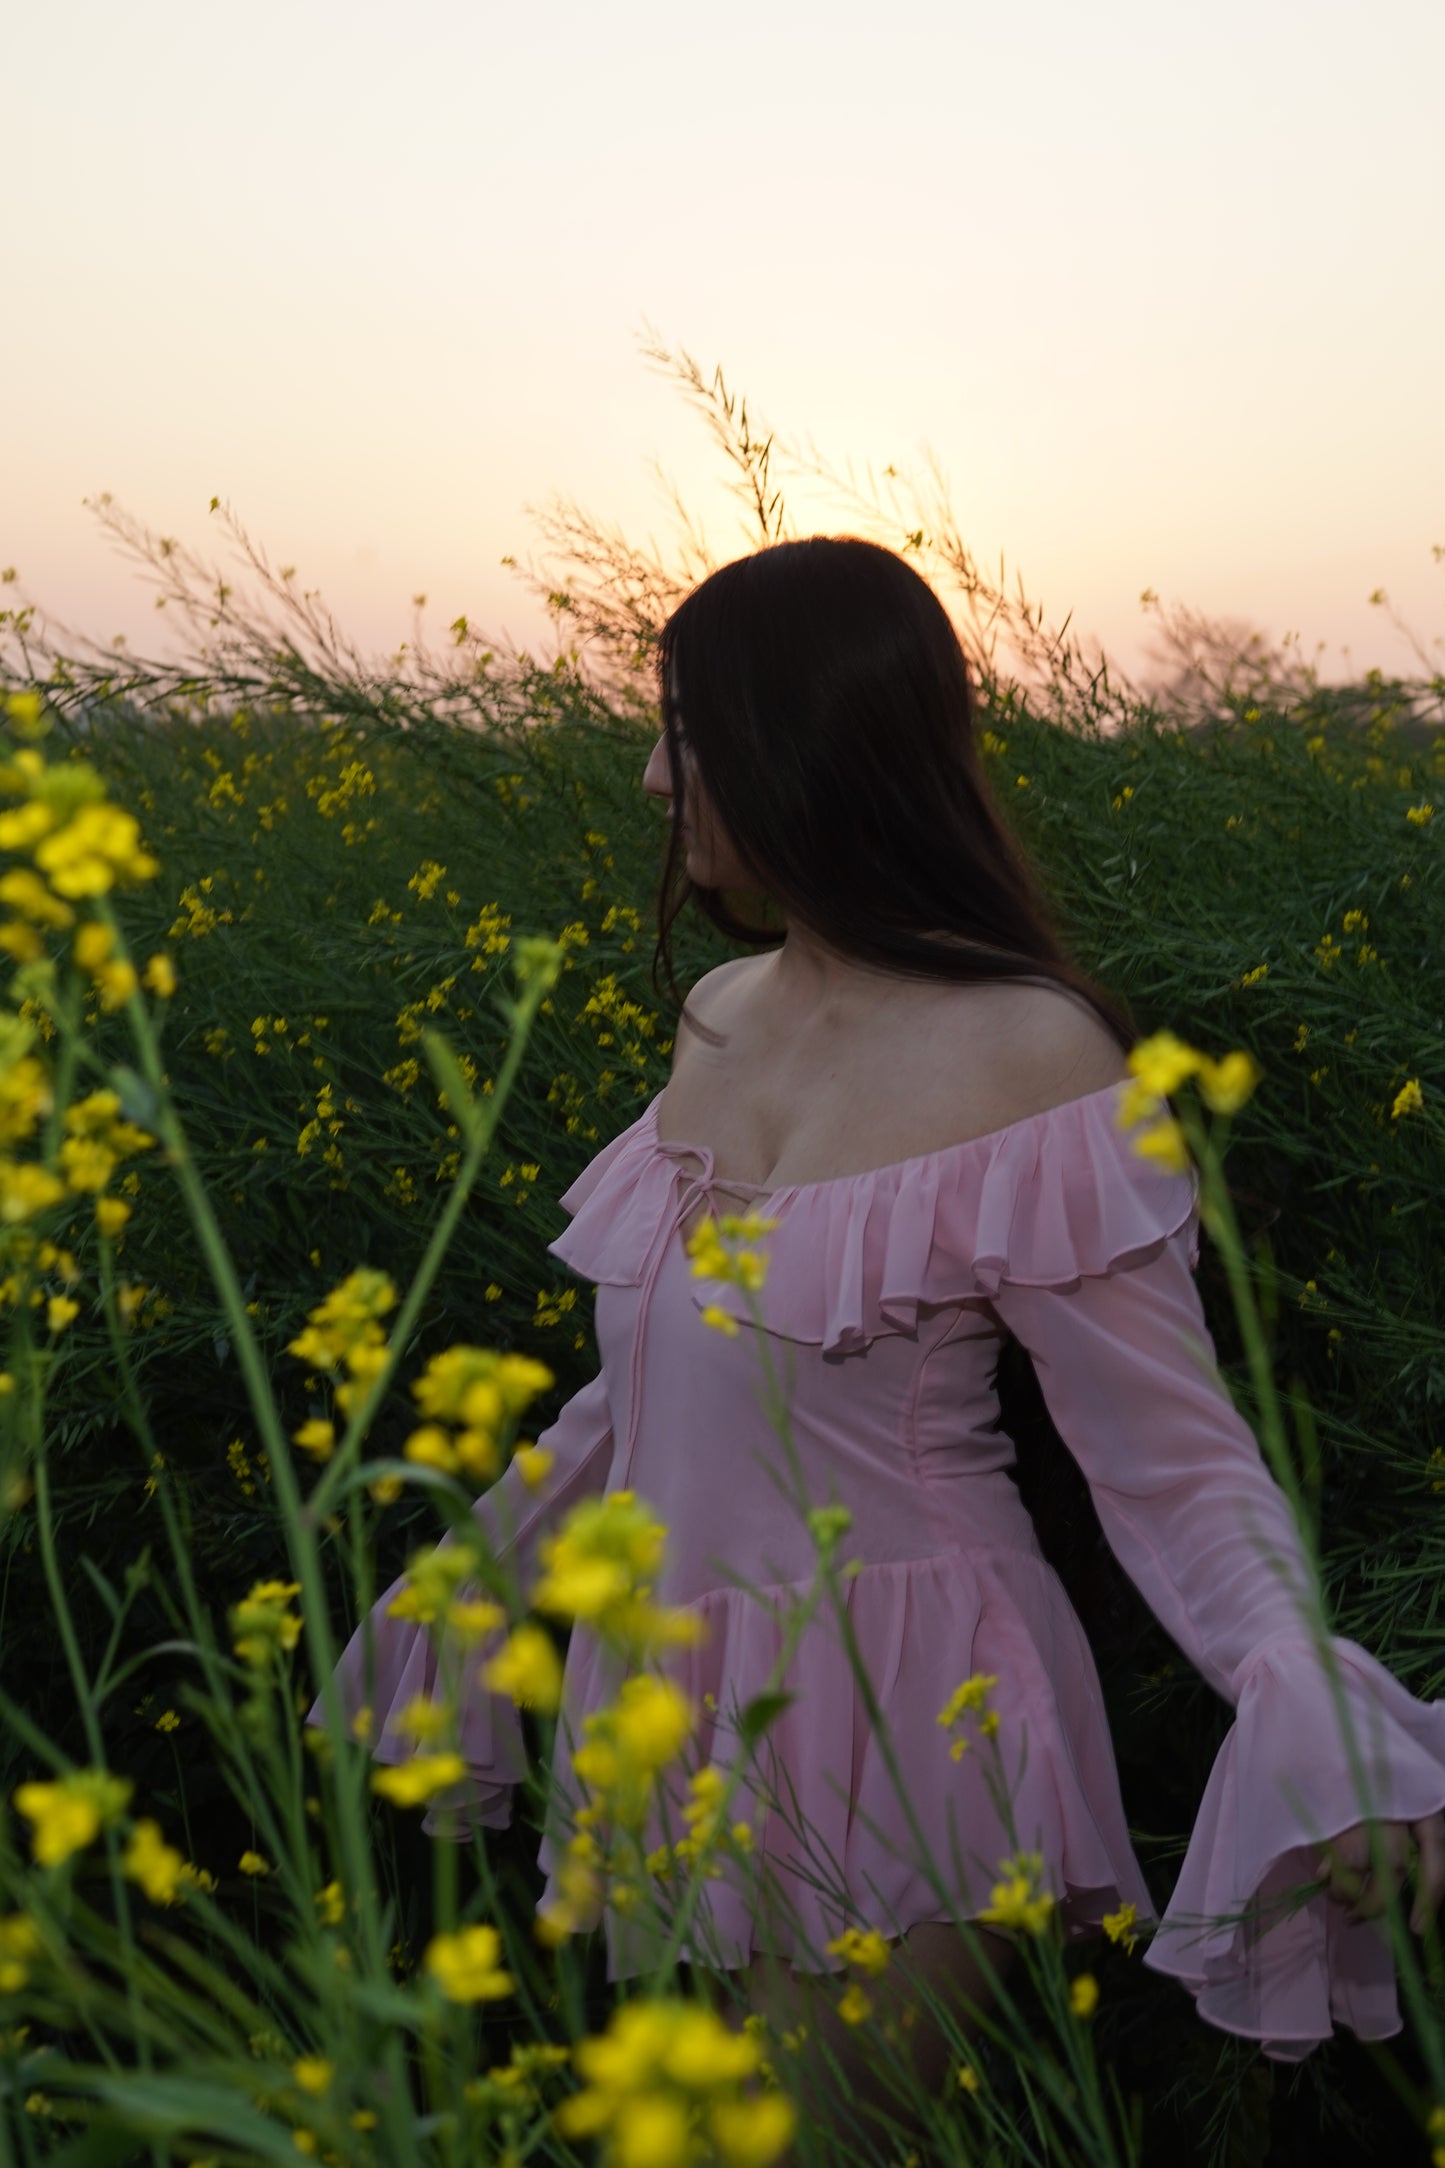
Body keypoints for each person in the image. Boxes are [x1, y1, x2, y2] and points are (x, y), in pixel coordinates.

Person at [308, 537, 1445, 2152]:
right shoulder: (720, 1017)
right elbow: (652, 1379)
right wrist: (484, 1571)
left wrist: (1301, 1702)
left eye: (685, 737)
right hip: (667, 1700)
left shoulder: (1027, 1053)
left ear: (806, 750)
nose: (651, 780)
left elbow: (1175, 1466)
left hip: (908, 1712)